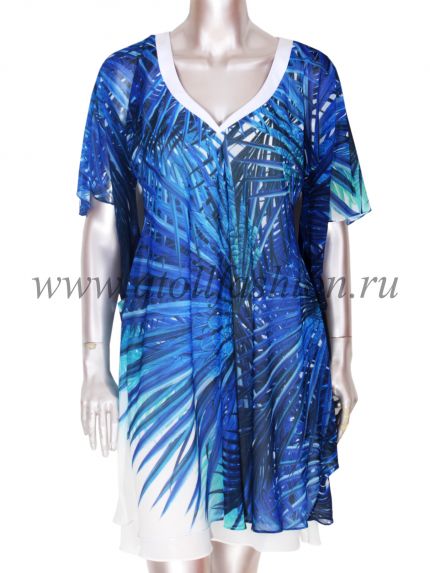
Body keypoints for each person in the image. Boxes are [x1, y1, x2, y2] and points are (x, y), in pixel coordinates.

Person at [77, 1, 371, 572]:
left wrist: (342, 359)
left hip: (273, 352)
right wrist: (93, 363)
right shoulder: (129, 75)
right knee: (171, 551)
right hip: (164, 355)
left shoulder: (310, 77)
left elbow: (332, 223)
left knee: (237, 566)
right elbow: (103, 222)